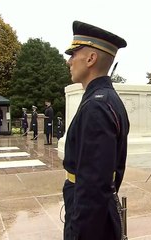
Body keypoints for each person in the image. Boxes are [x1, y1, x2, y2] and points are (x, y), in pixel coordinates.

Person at [62, 20, 129, 240]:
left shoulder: (96, 107)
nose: (69, 61)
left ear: (91, 59)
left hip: (90, 224)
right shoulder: (106, 99)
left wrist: (77, 234)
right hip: (101, 215)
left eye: (73, 54)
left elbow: (93, 186)